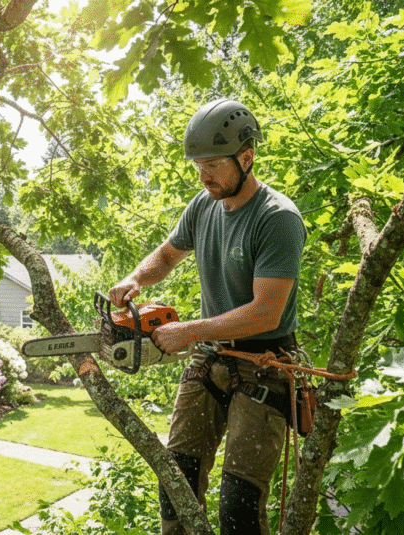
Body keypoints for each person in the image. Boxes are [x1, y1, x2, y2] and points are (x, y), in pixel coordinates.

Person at [109, 99, 306, 535]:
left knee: (238, 505)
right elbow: (166, 255)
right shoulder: (203, 205)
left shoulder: (278, 219)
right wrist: (135, 279)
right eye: (198, 166)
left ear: (247, 157)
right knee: (174, 480)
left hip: (264, 365)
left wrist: (188, 332)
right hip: (211, 360)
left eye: (213, 165)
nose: (204, 176)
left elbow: (265, 311)